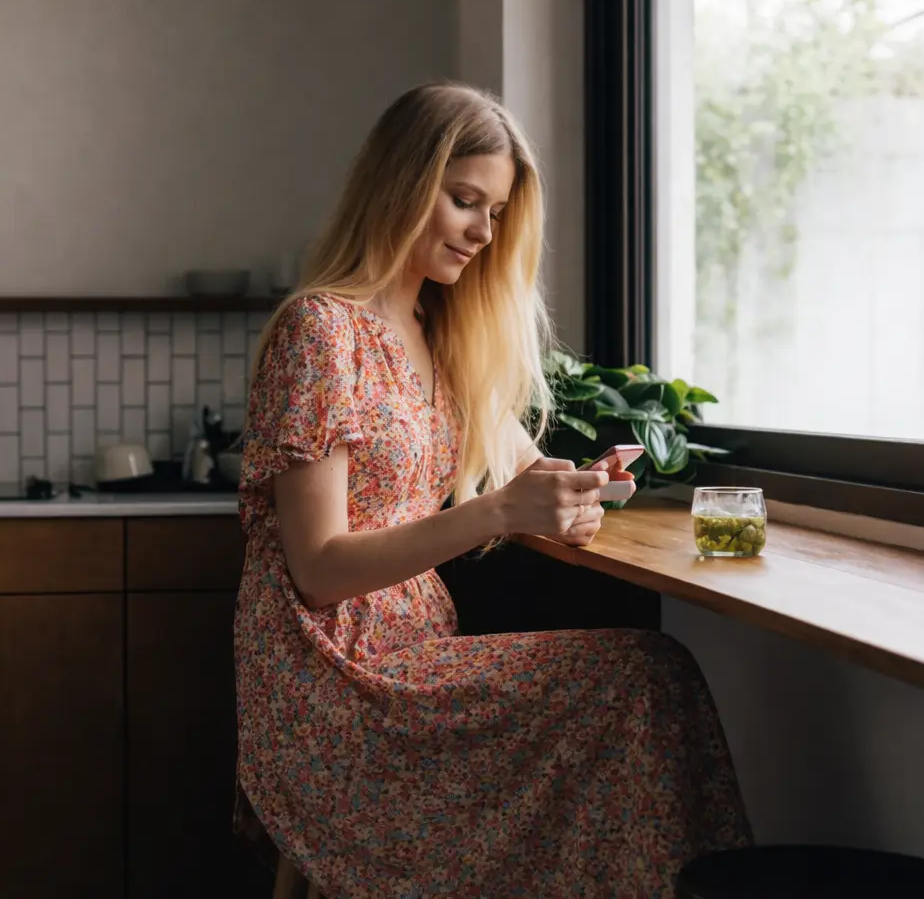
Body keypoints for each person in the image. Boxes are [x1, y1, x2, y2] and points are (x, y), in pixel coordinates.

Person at [233, 82, 751, 897]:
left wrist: (579, 491)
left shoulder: (439, 335)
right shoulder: (322, 332)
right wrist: (501, 511)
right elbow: (318, 571)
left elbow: (524, 474)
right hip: (334, 683)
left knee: (652, 681)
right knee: (646, 677)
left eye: (498, 211)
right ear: (399, 185)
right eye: (464, 201)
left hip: (415, 655)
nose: (484, 232)